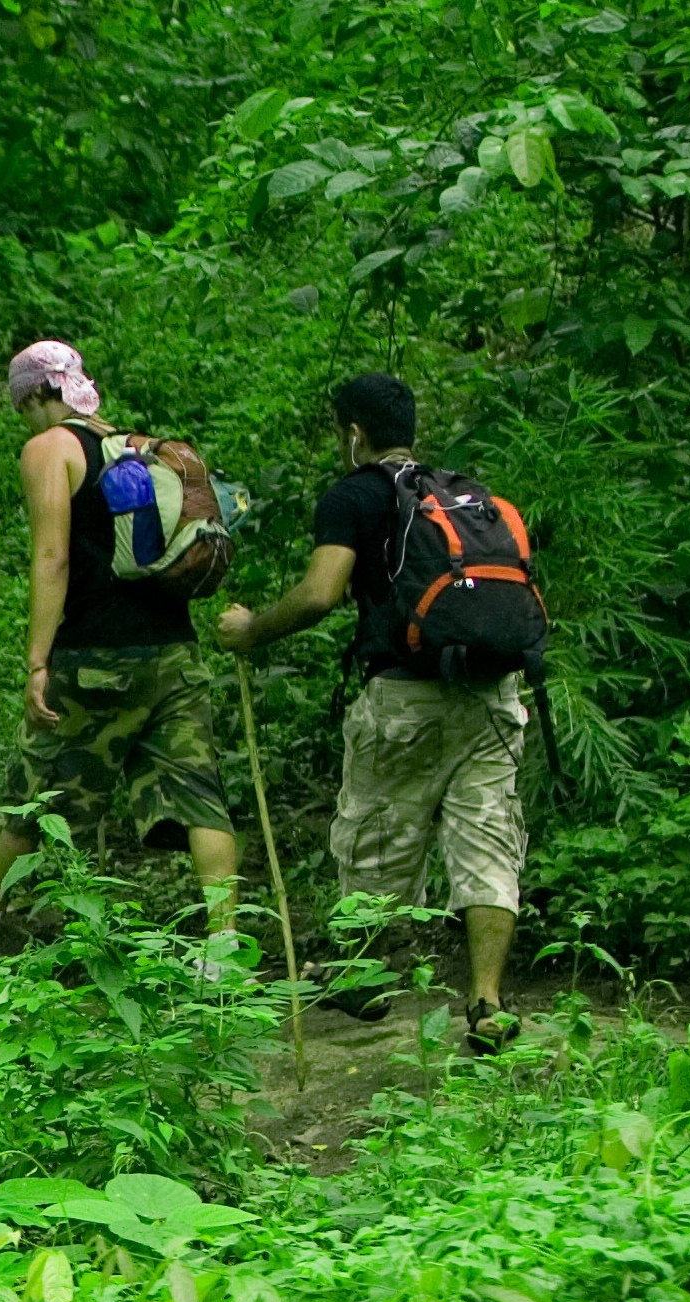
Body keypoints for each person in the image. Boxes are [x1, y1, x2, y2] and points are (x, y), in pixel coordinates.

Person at [217, 370, 531, 1051]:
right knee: (487, 839)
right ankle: (486, 1002)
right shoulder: (460, 493)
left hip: (404, 696)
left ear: (353, 432)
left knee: (377, 832)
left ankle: (366, 980)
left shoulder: (354, 495)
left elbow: (320, 592)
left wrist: (252, 630)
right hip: (491, 693)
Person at [0, 340, 239, 958]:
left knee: (34, 787)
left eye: (24, 406)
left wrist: (38, 660)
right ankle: (224, 950)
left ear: (35, 396)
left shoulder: (50, 448)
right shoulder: (139, 447)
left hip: (95, 658)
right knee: (199, 794)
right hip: (174, 654)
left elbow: (52, 556)